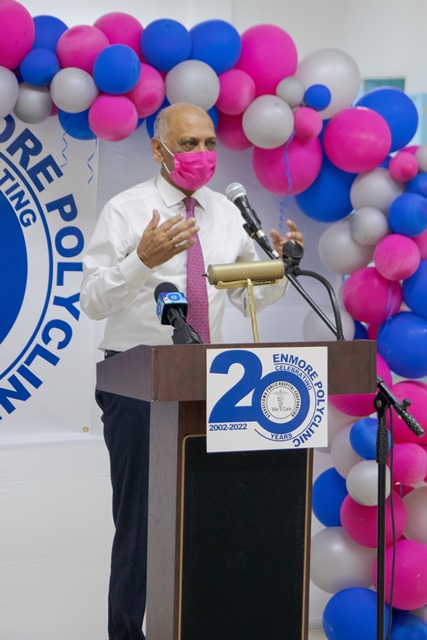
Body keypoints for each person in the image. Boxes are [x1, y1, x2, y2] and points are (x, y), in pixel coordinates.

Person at [80, 102, 304, 640]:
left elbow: (247, 294)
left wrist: (281, 268)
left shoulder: (224, 213)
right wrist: (142, 260)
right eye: (188, 144)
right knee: (141, 526)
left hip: (214, 384)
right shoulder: (127, 211)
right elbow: (92, 300)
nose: (202, 154)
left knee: (211, 520)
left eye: (209, 143)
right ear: (158, 150)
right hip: (138, 387)